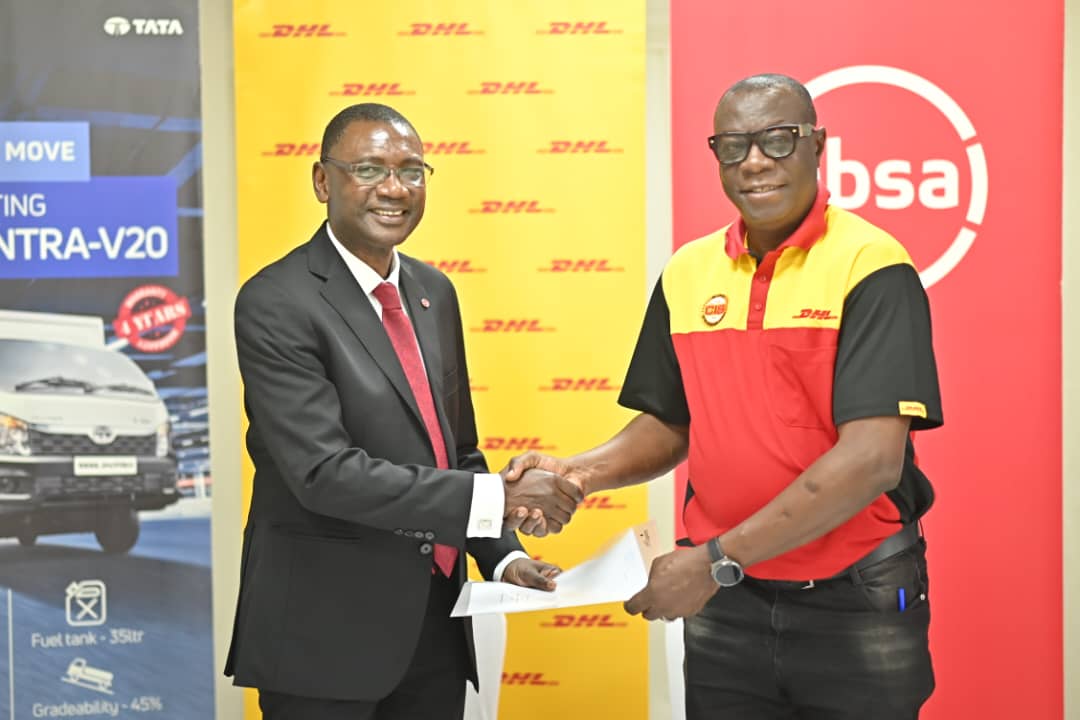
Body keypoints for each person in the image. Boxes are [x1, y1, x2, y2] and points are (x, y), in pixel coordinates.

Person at [506, 74, 943, 719]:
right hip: (729, 605)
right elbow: (671, 423)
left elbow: (872, 460)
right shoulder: (688, 271)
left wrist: (713, 562)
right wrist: (578, 473)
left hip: (855, 597)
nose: (756, 161)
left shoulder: (871, 265)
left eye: (778, 139)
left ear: (818, 146)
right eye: (733, 146)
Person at [224, 103, 583, 720]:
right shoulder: (275, 301)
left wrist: (504, 554)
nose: (394, 188)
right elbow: (323, 474)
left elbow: (457, 452)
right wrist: (498, 497)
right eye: (369, 168)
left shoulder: (432, 291)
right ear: (321, 180)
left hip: (434, 629)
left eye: (411, 171)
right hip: (322, 638)